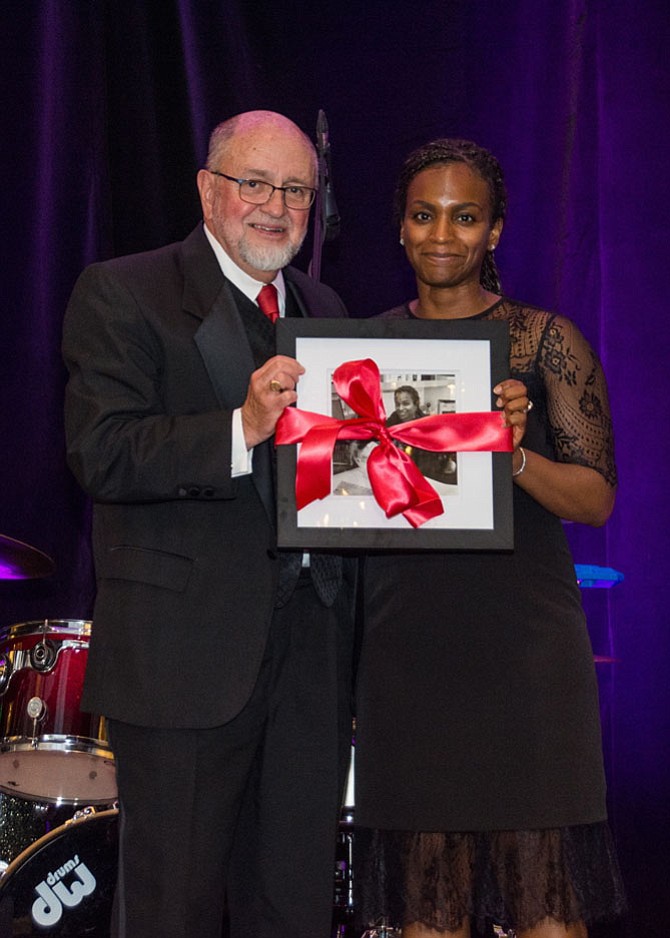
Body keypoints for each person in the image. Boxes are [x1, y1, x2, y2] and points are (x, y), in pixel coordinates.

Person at [62, 110, 356, 938]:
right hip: (183, 661)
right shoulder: (125, 289)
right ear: (207, 188)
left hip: (308, 664)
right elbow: (102, 451)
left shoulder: (325, 303)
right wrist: (240, 429)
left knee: (294, 906)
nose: (276, 205)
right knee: (171, 911)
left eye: (297, 188)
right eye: (253, 182)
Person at [353, 139, 626, 938]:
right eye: (424, 214)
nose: (443, 234)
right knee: (425, 912)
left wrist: (512, 456)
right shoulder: (358, 349)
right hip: (407, 655)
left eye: (465, 217)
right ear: (399, 229)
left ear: (495, 231)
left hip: (526, 659)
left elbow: (597, 499)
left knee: (547, 911)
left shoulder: (546, 341)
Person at [387, 385, 457, 485]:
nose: (400, 408)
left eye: (406, 404)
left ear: (416, 404)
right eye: (397, 404)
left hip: (427, 476)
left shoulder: (427, 425)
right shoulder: (393, 421)